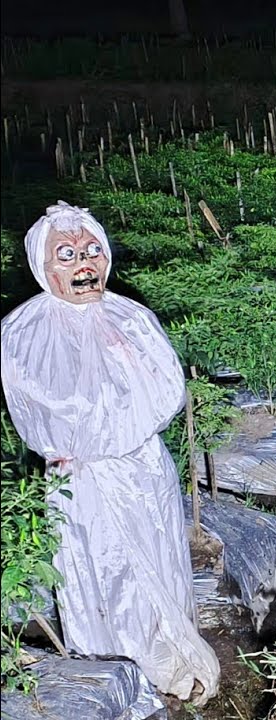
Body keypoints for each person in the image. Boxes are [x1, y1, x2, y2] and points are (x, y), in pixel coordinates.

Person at [0, 202, 220, 702]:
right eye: (68, 254)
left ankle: (166, 651)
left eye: (93, 250)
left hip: (142, 467)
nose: (85, 264)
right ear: (43, 265)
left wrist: (121, 424)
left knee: (156, 556)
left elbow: (166, 390)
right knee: (101, 566)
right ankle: (113, 668)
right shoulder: (21, 333)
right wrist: (83, 442)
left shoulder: (132, 318)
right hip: (81, 480)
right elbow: (39, 407)